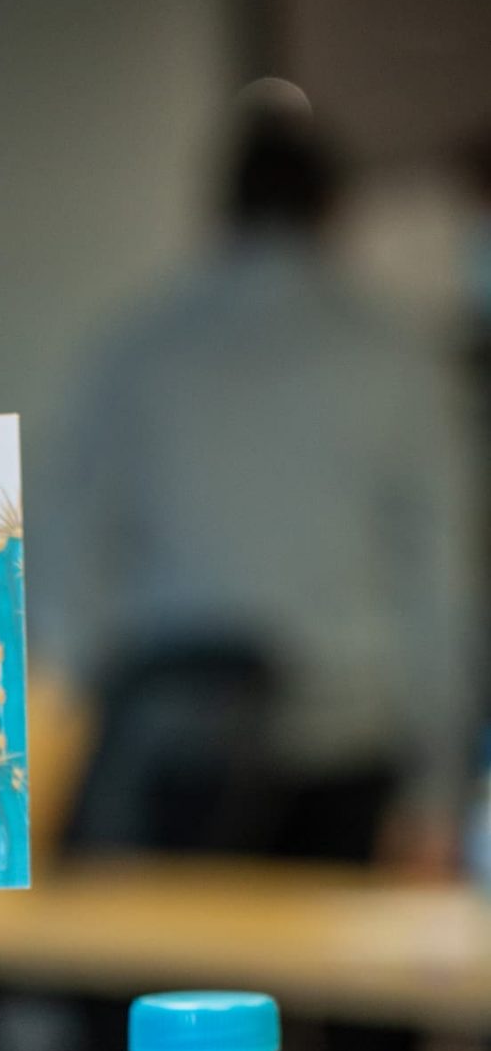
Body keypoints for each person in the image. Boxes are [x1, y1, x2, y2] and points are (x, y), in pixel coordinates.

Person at [45, 108, 479, 869]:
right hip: (345, 751)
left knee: (174, 948)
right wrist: (438, 787)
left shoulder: (137, 349)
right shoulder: (399, 359)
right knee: (329, 950)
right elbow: (439, 583)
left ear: (222, 210)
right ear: (332, 213)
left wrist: (58, 758)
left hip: (176, 756)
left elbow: (71, 562)